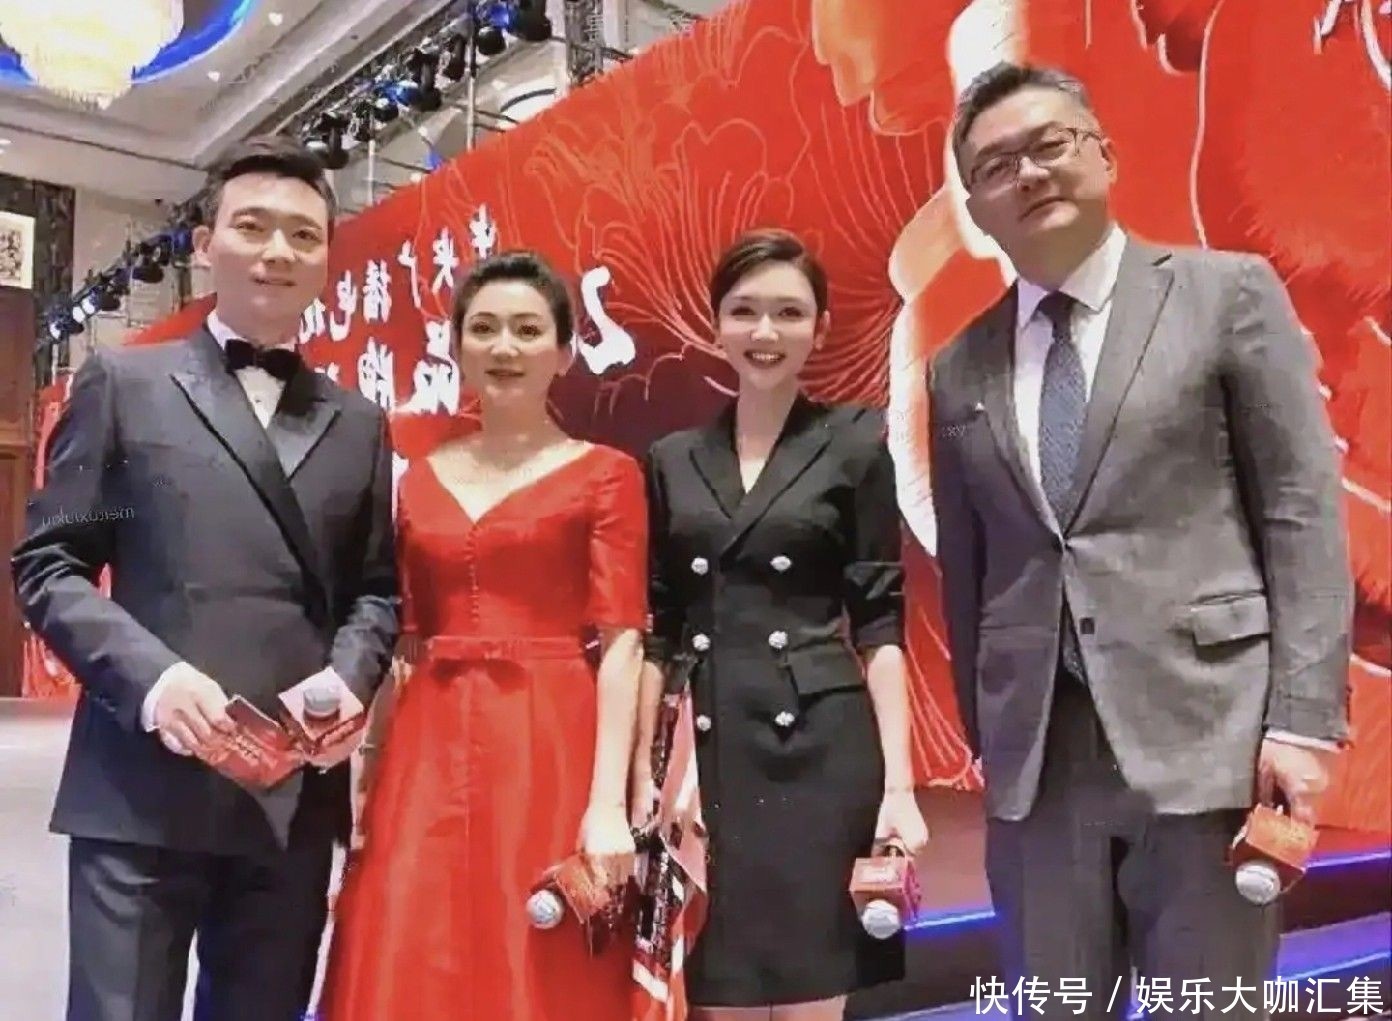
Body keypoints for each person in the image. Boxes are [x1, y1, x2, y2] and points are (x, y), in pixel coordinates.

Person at [928, 63, 1352, 1015]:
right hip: (1040, 768)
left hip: (1208, 742)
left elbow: (1299, 509)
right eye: (997, 166)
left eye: (1050, 145)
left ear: (1106, 156)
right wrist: (988, 733)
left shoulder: (1224, 294)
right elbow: (969, 568)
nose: (1029, 174)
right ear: (976, 207)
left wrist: (1299, 721)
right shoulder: (958, 367)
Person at [10, 135, 399, 1021]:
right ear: (204, 245)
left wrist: (349, 678)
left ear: (326, 260)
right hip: (140, 787)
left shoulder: (358, 424)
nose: (277, 251)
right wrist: (153, 681)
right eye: (252, 226)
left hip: (289, 796)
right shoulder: (125, 384)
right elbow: (52, 563)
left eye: (303, 234)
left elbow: (374, 589)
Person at [320, 250, 647, 1020]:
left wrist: (608, 802)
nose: (505, 347)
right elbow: (404, 641)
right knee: (413, 933)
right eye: (485, 328)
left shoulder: (606, 473)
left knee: (535, 936)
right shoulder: (420, 477)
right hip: (426, 742)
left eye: (528, 330)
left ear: (563, 352)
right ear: (457, 346)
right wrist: (368, 770)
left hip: (549, 734)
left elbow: (623, 643)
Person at [637, 228, 929, 1020]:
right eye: (744, 311)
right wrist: (640, 773)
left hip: (821, 751)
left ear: (821, 328)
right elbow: (660, 627)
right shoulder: (671, 458)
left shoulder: (856, 441)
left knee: (812, 994)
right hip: (707, 751)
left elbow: (879, 623)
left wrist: (899, 788)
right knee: (719, 989)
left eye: (789, 313)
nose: (765, 332)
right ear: (715, 323)